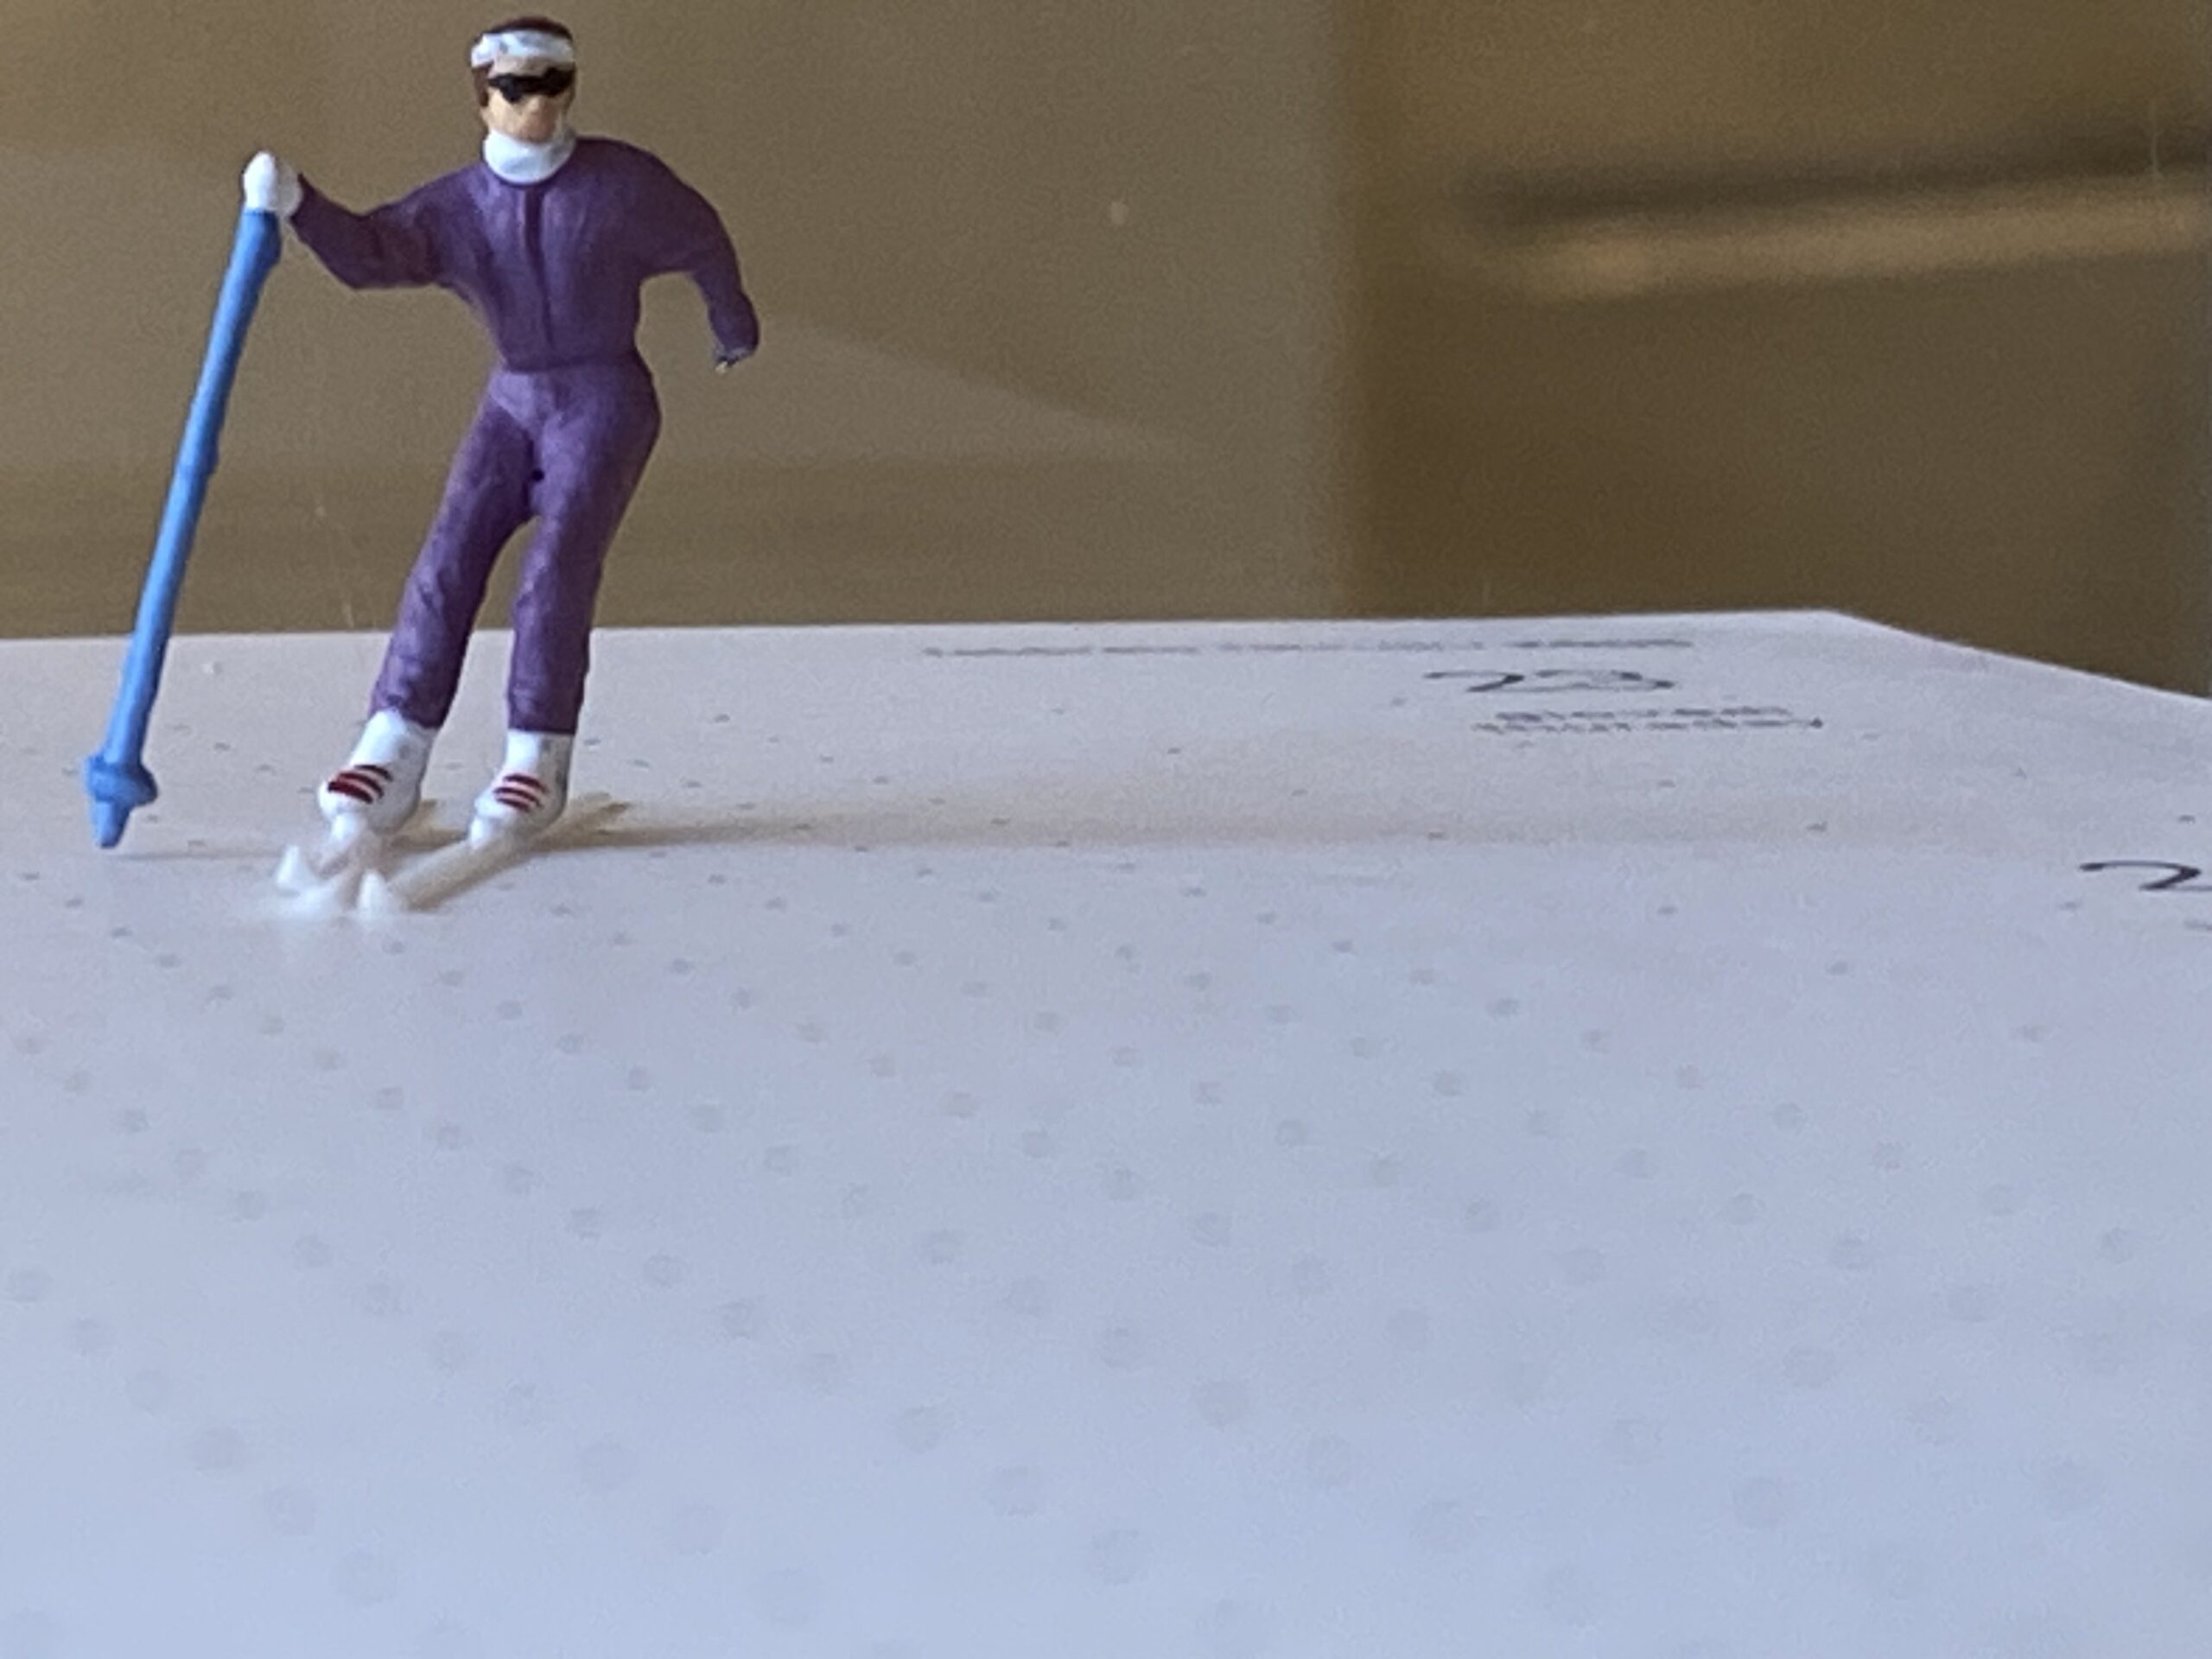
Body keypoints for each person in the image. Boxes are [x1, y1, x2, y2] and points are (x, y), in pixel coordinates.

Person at [244, 16, 758, 847]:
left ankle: (536, 752)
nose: (536, 104)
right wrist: (300, 203)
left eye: (553, 86)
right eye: (516, 88)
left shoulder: (621, 185)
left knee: (557, 564)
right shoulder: (460, 207)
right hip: (515, 399)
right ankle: (396, 738)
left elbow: (700, 233)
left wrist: (731, 322)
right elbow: (373, 252)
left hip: (603, 397)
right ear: (484, 98)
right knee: (449, 553)